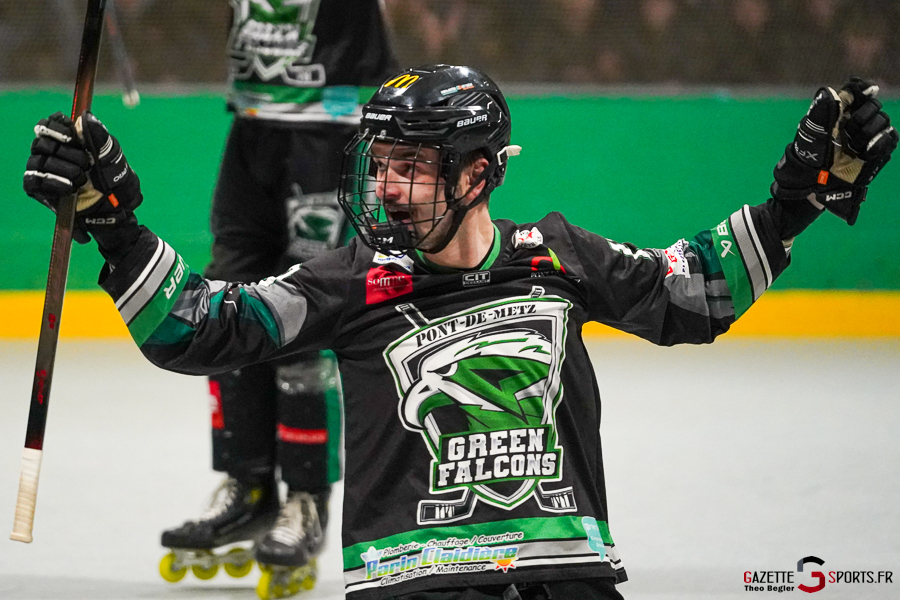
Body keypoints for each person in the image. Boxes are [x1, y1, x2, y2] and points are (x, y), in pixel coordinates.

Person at [23, 65, 896, 600]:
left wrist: (796, 201)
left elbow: (696, 294)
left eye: (412, 168)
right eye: (382, 168)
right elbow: (198, 328)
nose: (388, 189)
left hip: (569, 580)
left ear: (478, 174)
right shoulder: (347, 283)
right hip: (413, 584)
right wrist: (111, 220)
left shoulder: (558, 257)